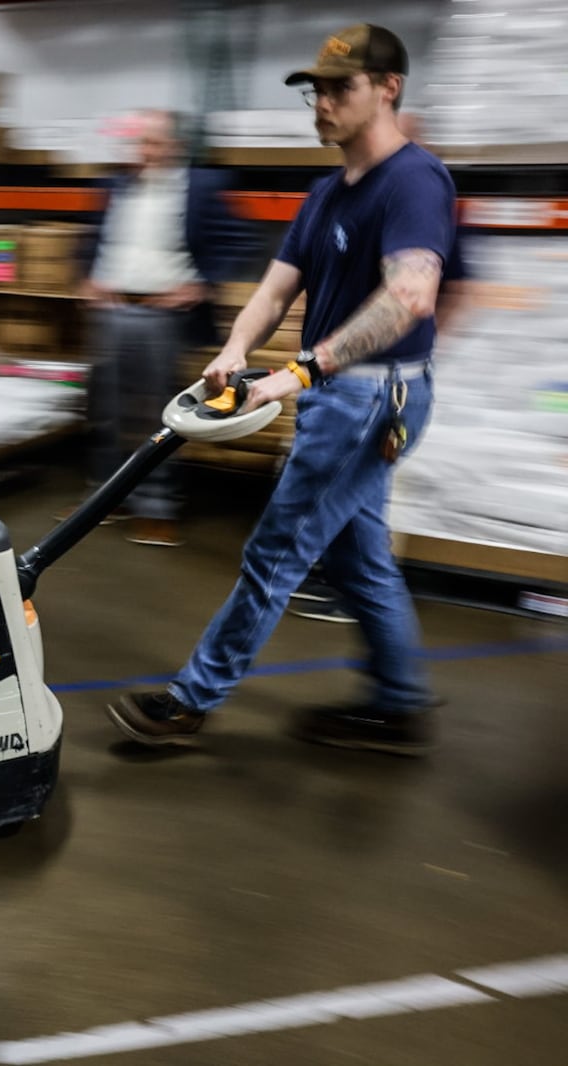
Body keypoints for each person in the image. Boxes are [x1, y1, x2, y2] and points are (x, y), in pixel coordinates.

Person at [106, 24, 458, 755]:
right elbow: (274, 290)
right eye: (316, 90)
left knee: (277, 551)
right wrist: (235, 348)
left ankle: (190, 701)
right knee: (359, 557)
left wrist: (299, 373)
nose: (322, 103)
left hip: (368, 397)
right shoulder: (328, 192)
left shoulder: (415, 181)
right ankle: (401, 704)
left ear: (388, 87)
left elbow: (410, 298)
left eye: (341, 88)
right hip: (345, 394)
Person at [286, 108, 473, 626]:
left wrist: (418, 354)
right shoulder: (345, 194)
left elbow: (447, 290)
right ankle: (392, 676)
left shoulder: (424, 195)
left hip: (377, 388)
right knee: (362, 527)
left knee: (290, 543)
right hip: (339, 381)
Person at [69, 109, 251, 548]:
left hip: (162, 318)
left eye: (152, 143)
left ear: (173, 145)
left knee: (161, 416)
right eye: (139, 143)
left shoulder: (202, 188)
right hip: (112, 312)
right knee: (107, 412)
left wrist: (201, 285)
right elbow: (91, 239)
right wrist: (87, 276)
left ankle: (156, 507)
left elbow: (238, 239)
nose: (143, 152)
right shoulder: (115, 186)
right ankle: (104, 500)